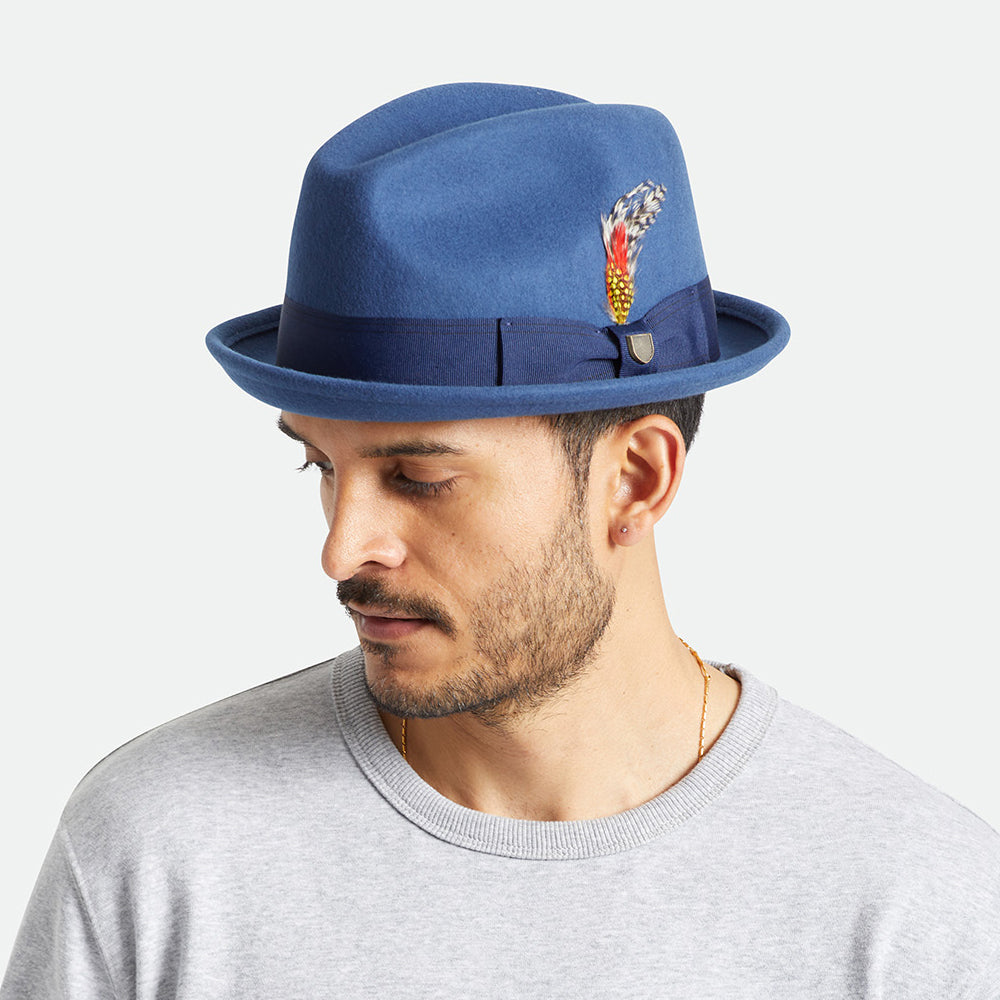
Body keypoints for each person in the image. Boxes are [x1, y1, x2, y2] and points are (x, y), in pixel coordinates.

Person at [3, 82, 998, 999]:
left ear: (635, 478)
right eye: (320, 466)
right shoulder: (158, 856)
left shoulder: (918, 915)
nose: (342, 551)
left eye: (418, 478)